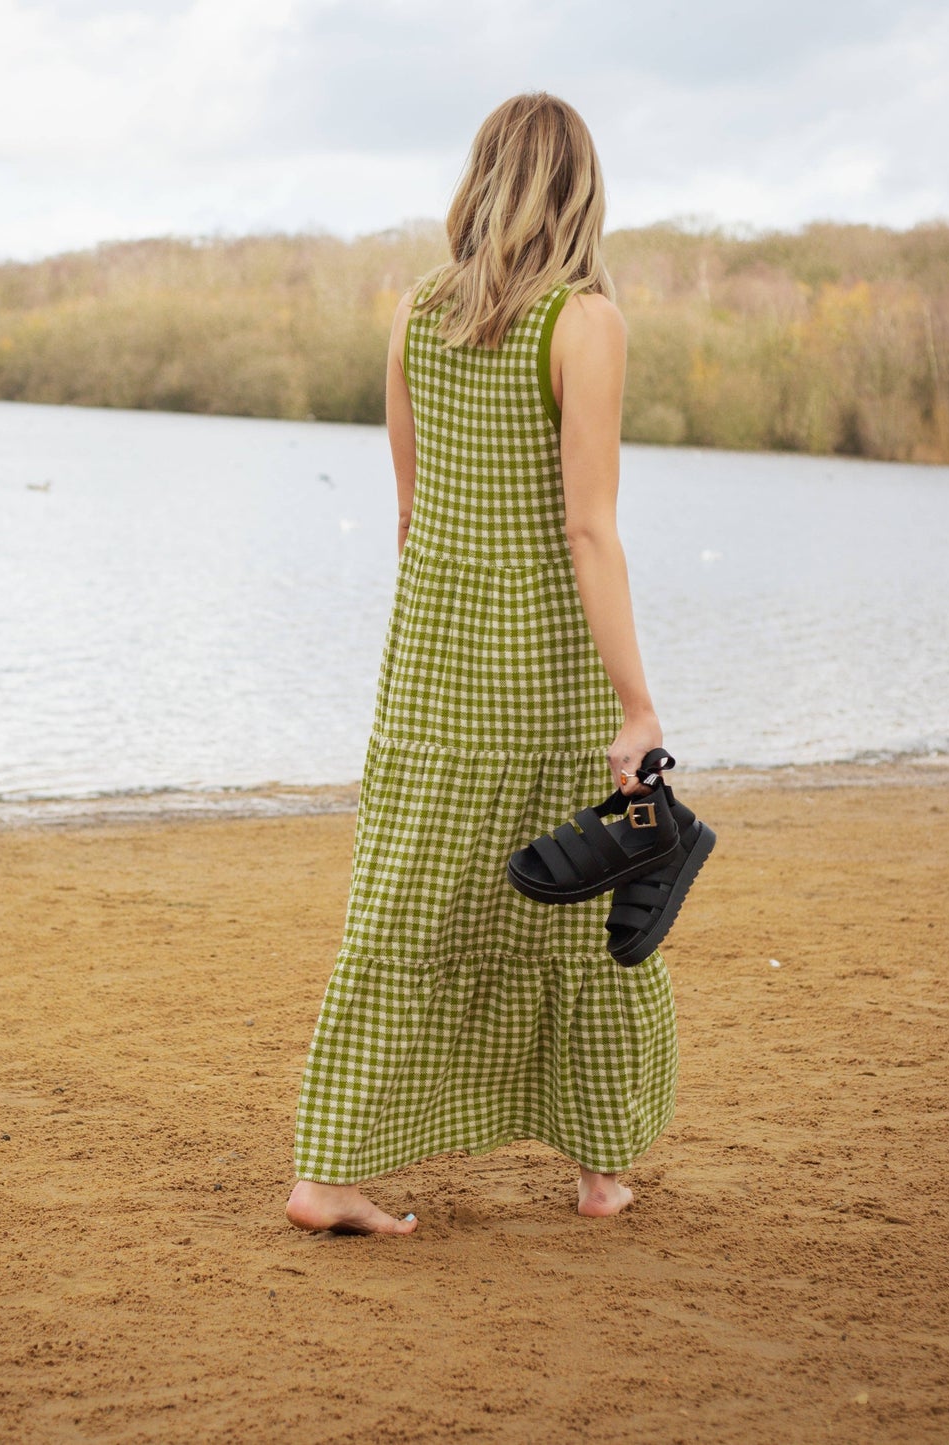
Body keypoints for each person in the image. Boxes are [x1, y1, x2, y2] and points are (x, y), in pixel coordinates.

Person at [286, 92, 675, 1235]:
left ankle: (329, 1168)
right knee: (585, 906)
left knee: (402, 911)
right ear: (580, 190)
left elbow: (413, 518)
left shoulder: (415, 315)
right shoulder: (585, 322)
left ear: (483, 179)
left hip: (429, 668)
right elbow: (587, 529)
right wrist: (638, 701)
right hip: (542, 674)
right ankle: (600, 1171)